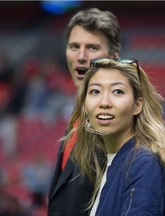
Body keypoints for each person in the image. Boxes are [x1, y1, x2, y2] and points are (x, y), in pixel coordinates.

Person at [65, 57, 165, 215]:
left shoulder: (143, 162)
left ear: (137, 105)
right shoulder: (105, 166)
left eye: (117, 91)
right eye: (95, 91)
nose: (104, 102)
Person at [48, 8, 121, 216]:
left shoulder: (120, 122)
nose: (81, 56)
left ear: (113, 57)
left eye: (92, 47)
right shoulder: (78, 117)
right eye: (74, 47)